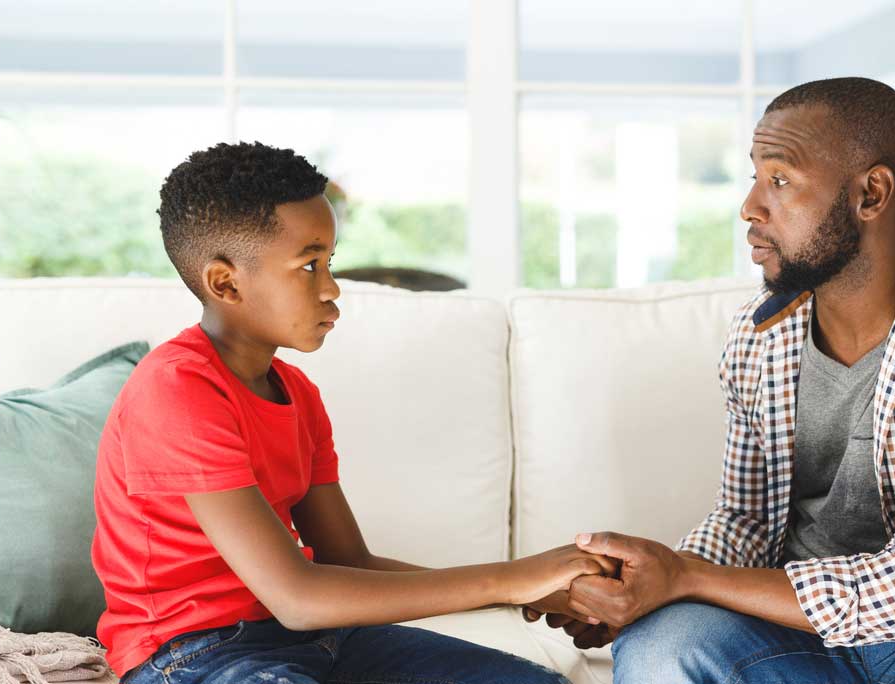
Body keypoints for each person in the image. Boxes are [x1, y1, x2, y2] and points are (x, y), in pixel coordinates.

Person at [526, 77, 895, 684]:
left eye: (780, 180)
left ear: (871, 193)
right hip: (793, 626)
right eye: (755, 175)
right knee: (660, 648)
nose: (750, 206)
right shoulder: (761, 337)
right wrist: (644, 587)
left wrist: (687, 578)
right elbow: (748, 521)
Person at [91, 141, 608, 684]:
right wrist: (511, 578)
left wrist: (535, 590)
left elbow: (347, 565)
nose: (333, 288)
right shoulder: (177, 391)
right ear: (226, 282)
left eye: (329, 262)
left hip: (317, 639)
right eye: (308, 265)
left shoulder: (296, 394)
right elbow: (297, 595)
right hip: (193, 653)